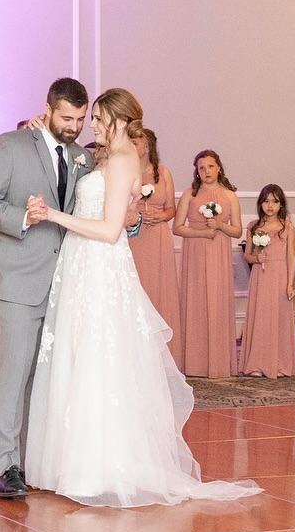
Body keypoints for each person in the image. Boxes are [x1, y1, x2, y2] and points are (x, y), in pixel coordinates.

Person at [24, 88, 260, 507]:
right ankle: (69, 462)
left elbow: (110, 229)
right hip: (82, 267)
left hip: (100, 266)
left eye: (97, 118)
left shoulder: (123, 159)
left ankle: (98, 466)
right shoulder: (100, 156)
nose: (90, 125)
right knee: (78, 357)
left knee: (99, 359)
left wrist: (52, 215)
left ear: (117, 119)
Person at [0, 77, 94, 500]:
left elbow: (92, 214)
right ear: (48, 108)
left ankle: (36, 460)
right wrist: (24, 217)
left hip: (65, 283)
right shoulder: (10, 145)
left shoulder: (82, 158)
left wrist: (129, 220)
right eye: (66, 117)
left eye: (80, 119)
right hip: (17, 277)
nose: (74, 126)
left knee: (47, 378)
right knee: (15, 371)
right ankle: (6, 466)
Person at [172, 149, 240, 378]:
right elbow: (177, 227)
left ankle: (219, 363)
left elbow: (238, 230)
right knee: (196, 302)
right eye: (201, 168)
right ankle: (195, 363)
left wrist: (219, 225)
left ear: (218, 167)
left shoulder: (230, 195)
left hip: (218, 253)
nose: (206, 171)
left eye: (210, 166)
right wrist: (202, 233)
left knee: (217, 303)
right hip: (196, 253)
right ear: (197, 172)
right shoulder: (190, 194)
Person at [125, 127, 182, 371]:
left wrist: (160, 216)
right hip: (133, 239)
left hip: (158, 238)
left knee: (159, 292)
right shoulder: (126, 172)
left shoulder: (163, 174)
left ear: (146, 146)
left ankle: (163, 358)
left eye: (135, 142)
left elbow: (172, 209)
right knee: (137, 290)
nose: (131, 146)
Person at [238, 183, 295, 378]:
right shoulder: (254, 227)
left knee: (278, 318)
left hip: (280, 275)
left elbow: (291, 257)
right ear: (260, 204)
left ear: (281, 204)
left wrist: (290, 284)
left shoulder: (287, 226)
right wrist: (257, 258)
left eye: (274, 201)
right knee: (261, 318)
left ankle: (280, 364)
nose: (270, 205)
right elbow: (247, 256)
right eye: (266, 201)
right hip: (261, 277)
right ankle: (257, 363)